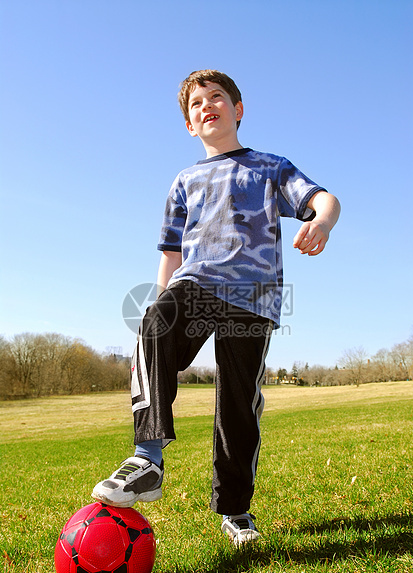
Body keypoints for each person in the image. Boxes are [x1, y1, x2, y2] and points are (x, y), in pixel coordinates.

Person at [92, 70, 340, 546]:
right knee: (156, 321)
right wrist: (156, 314)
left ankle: (236, 510)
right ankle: (148, 459)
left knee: (237, 404)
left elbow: (324, 199)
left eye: (217, 97)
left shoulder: (270, 167)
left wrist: (322, 222)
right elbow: (170, 253)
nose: (208, 106)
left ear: (237, 108)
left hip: (252, 296)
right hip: (198, 283)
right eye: (196, 104)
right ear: (189, 124)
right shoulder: (184, 180)